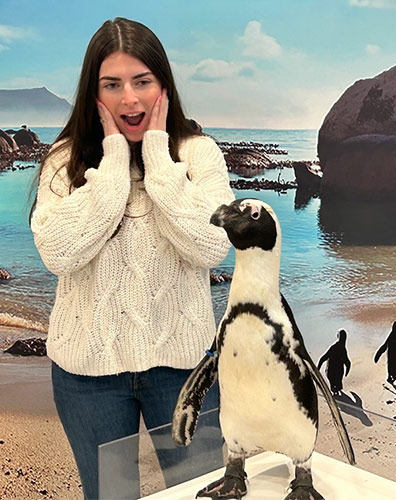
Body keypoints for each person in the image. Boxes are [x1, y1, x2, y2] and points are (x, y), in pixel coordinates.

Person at [30, 17, 234, 500]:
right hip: (88, 376)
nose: (130, 99)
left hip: (184, 369)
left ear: (163, 84)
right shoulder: (65, 160)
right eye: (112, 85)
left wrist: (160, 159)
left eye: (142, 81)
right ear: (92, 94)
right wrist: (114, 160)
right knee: (110, 495)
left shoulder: (200, 155)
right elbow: (59, 253)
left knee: (201, 493)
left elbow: (210, 246)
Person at [317, 329, 351, 396]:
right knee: (337, 379)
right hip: (338, 372)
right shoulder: (343, 350)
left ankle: (335, 388)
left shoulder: (333, 347)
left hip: (330, 371)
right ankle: (336, 388)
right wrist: (347, 371)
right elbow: (347, 362)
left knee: (333, 380)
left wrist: (318, 368)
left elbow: (323, 358)